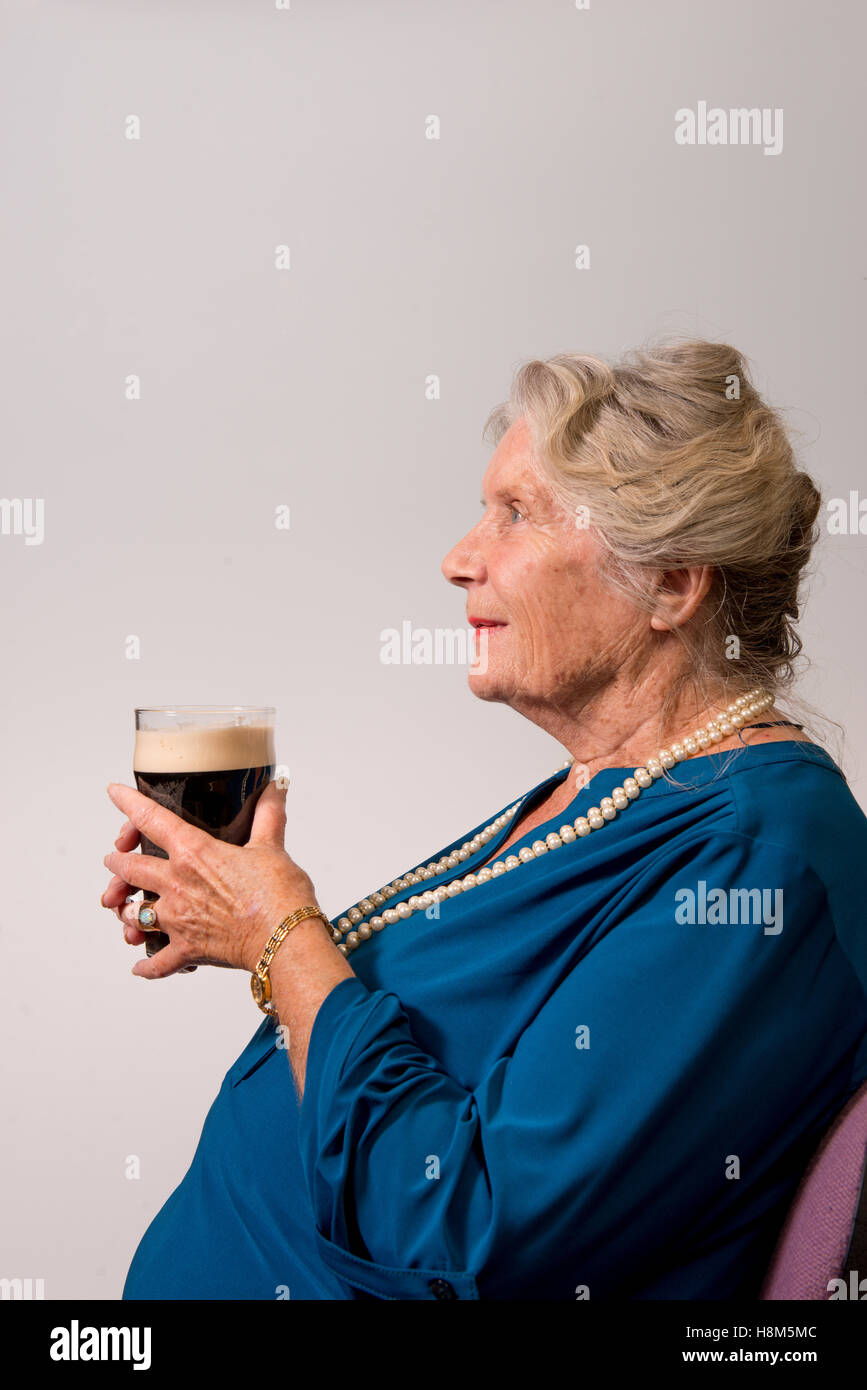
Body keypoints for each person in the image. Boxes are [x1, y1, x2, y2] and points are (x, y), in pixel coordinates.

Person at [101, 339, 867, 1300]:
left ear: (672, 582)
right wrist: (239, 918)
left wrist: (281, 938)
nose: (459, 559)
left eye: (515, 515)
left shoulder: (755, 865)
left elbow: (474, 1229)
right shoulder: (607, 792)